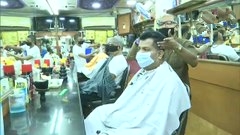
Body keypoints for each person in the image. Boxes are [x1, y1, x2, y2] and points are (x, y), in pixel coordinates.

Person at [84, 31, 191, 135]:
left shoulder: (168, 81)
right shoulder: (144, 71)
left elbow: (158, 122)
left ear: (160, 54)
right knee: (98, 114)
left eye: (146, 49)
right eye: (140, 49)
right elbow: (128, 103)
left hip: (144, 125)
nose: (140, 53)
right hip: (131, 115)